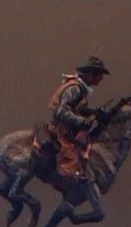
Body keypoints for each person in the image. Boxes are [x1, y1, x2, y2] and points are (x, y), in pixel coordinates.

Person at [46, 55, 110, 193]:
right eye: (99, 75)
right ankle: (67, 177)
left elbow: (78, 108)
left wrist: (93, 112)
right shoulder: (75, 88)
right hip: (62, 128)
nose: (101, 79)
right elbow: (62, 112)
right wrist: (83, 121)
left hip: (69, 126)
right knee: (72, 150)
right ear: (91, 75)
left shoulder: (82, 89)